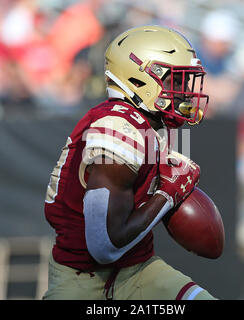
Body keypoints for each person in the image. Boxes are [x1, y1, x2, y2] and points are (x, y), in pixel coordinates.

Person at [42, 25, 216, 300]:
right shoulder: (118, 130)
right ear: (140, 80)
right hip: (84, 278)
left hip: (139, 269)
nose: (185, 92)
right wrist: (167, 195)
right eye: (177, 81)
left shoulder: (146, 123)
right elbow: (104, 246)